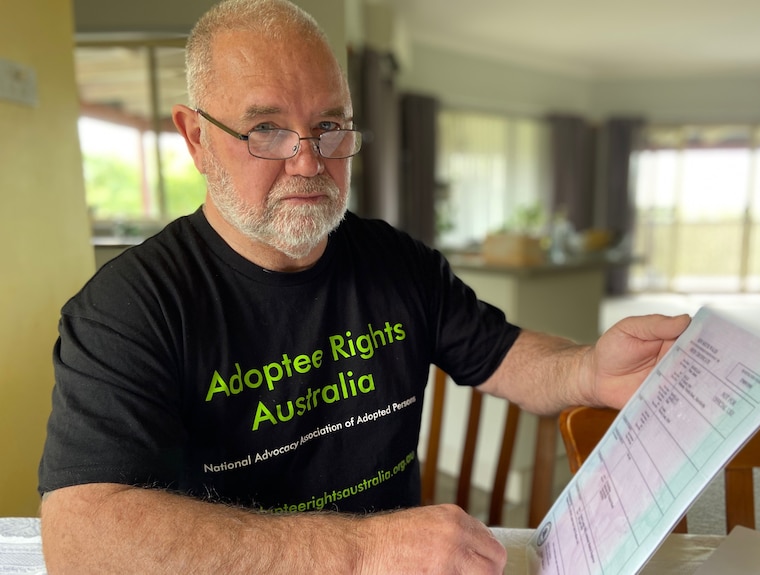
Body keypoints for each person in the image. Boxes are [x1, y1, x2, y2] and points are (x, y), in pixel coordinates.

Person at [37, 0, 691, 573]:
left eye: (330, 125)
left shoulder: (395, 262)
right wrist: (360, 552)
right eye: (265, 128)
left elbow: (507, 356)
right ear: (196, 136)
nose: (308, 160)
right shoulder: (129, 307)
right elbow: (82, 538)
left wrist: (587, 369)